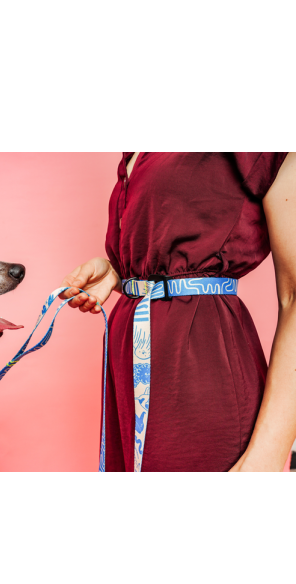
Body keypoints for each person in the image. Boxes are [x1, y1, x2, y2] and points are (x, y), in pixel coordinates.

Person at [60, 152, 296, 472]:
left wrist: (266, 458)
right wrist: (119, 273)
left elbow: (294, 296)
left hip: (200, 382)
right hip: (127, 380)